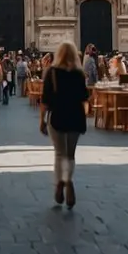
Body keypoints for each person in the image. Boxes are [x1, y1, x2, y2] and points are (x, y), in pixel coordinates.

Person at [40, 41, 89, 209]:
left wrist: (42, 120)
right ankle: (68, 181)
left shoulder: (51, 73)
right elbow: (84, 97)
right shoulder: (79, 74)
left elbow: (45, 100)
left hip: (57, 117)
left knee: (60, 154)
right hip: (75, 117)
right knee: (70, 154)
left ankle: (61, 182)